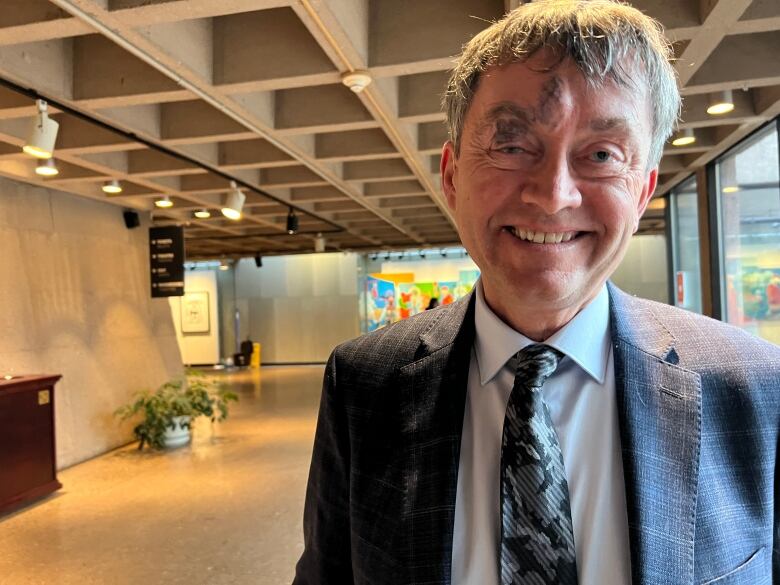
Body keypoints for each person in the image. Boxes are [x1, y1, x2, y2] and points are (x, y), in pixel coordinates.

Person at [294, 1, 780, 584]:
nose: (553, 196)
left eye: (602, 155)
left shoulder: (756, 388)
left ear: (644, 189)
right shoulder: (364, 384)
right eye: (511, 144)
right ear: (451, 176)